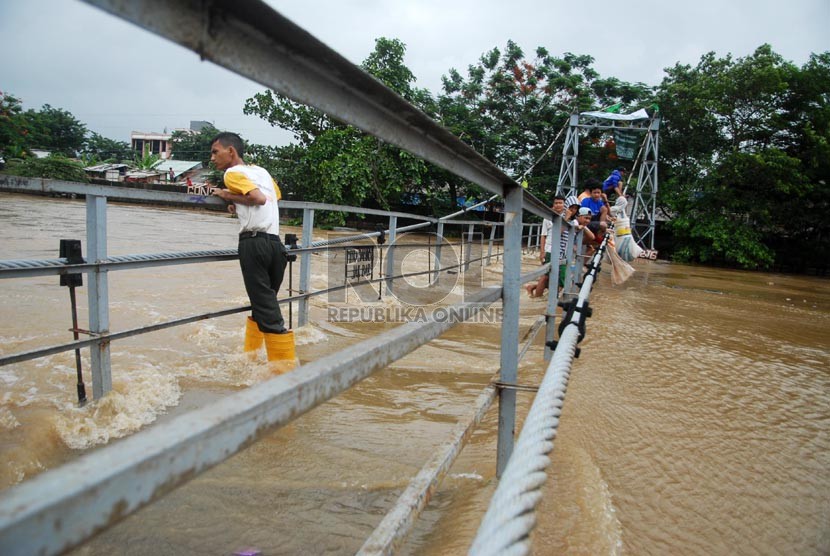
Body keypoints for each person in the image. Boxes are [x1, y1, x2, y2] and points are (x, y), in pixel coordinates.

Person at [209, 131, 295, 372]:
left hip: (254, 244)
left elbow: (257, 198)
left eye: (215, 152)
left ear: (231, 152)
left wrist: (226, 194)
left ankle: (285, 372)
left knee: (267, 308)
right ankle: (252, 358)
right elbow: (273, 196)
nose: (213, 158)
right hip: (275, 245)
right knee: (263, 303)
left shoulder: (232, 173)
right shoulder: (262, 172)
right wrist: (237, 201)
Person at [526, 195, 566, 297]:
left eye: (560, 203)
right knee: (546, 276)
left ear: (564, 204)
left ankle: (533, 287)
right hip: (550, 249)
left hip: (562, 251)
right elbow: (543, 236)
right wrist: (542, 251)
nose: (558, 205)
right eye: (556, 203)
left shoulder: (566, 216)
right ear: (553, 204)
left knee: (558, 277)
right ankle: (536, 298)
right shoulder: (548, 218)